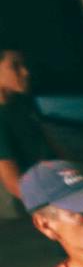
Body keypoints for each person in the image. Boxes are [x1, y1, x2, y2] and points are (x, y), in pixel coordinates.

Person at [0, 43, 56, 202]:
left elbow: (49, 141)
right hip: (41, 200)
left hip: (57, 183)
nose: (25, 72)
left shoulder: (21, 103)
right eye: (15, 66)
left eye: (24, 65)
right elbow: (13, 182)